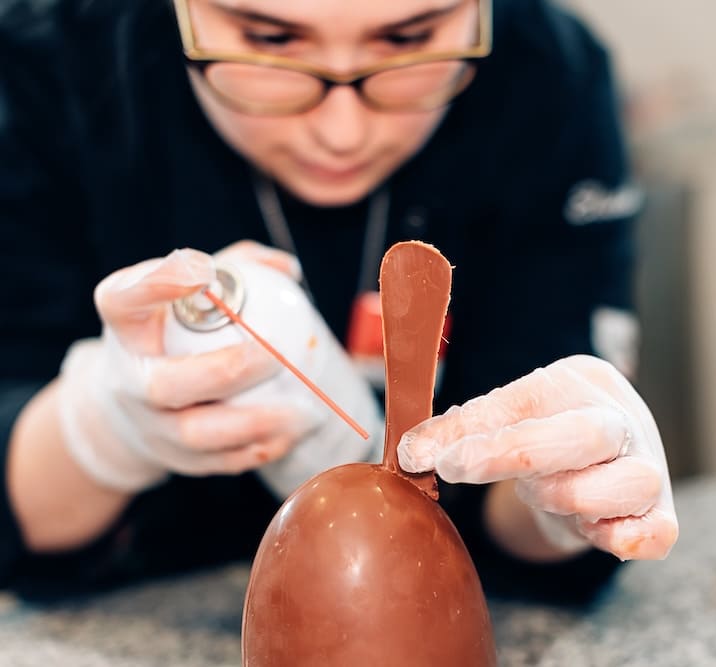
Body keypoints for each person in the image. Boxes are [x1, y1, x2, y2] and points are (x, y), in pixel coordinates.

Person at [0, 0, 678, 603]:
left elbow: (516, 510)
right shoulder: (40, 67)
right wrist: (100, 428)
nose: (343, 132)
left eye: (409, 38)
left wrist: (562, 499)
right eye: (269, 39)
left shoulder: (549, 73)